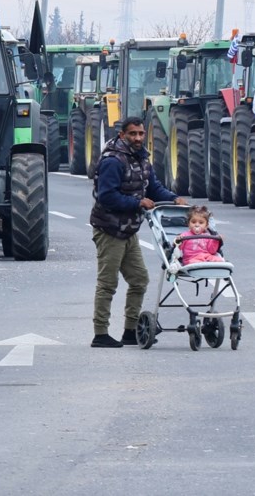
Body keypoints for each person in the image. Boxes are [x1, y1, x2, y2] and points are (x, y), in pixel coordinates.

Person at [90, 117, 186, 348]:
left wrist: (174, 199)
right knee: (107, 283)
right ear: (122, 135)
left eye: (141, 134)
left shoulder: (142, 158)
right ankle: (100, 333)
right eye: (133, 134)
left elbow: (153, 188)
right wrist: (137, 203)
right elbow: (106, 196)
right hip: (109, 229)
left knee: (140, 279)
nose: (138, 138)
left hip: (129, 230)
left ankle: (130, 331)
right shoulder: (113, 161)